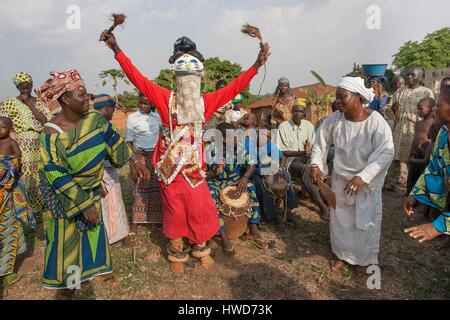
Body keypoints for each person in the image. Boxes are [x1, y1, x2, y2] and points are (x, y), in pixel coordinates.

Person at [100, 30, 270, 272]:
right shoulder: (163, 98)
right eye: (184, 75)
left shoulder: (206, 102)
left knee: (199, 211)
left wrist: (256, 65)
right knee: (175, 212)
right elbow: (136, 77)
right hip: (170, 172)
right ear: (176, 77)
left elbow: (234, 87)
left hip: (195, 172)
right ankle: (177, 253)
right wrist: (116, 49)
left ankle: (201, 248)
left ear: (198, 76)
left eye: (192, 75)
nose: (188, 81)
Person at [36, 69, 149, 291]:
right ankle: (69, 286)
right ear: (66, 99)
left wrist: (134, 161)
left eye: (87, 94)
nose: (89, 99)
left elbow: (114, 140)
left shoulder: (95, 119)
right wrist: (83, 204)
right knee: (66, 239)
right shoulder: (51, 133)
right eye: (82, 95)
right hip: (64, 194)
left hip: (91, 188)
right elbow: (56, 173)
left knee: (93, 231)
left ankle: (97, 273)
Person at [310, 77, 394, 275]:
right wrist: (315, 165)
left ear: (357, 97)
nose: (338, 101)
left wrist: (363, 177)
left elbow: (386, 152)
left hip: (365, 183)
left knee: (365, 222)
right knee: (342, 221)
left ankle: (364, 260)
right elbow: (320, 144)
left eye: (342, 97)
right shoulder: (334, 121)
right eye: (337, 97)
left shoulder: (375, 122)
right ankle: (342, 255)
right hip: (340, 181)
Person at [0, 72, 52, 217]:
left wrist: (29, 103)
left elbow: (45, 121)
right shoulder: (10, 103)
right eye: (22, 87)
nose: (25, 90)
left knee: (40, 172)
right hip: (21, 143)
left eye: (27, 86)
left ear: (31, 85)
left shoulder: (38, 102)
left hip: (38, 141)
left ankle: (40, 204)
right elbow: (3, 122)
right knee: (25, 173)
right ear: (17, 87)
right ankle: (26, 206)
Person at [207, 122, 261, 256]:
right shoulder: (210, 149)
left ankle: (253, 227)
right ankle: (223, 235)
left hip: (234, 180)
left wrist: (244, 178)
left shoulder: (239, 148)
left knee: (251, 188)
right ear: (224, 139)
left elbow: (253, 164)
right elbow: (205, 171)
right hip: (216, 181)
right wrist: (216, 169)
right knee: (211, 197)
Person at [403, 88, 450, 243]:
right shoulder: (444, 133)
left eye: (437, 105)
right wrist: (416, 194)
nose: (434, 109)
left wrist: (438, 226)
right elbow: (434, 168)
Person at [278, 99, 330, 220]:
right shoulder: (283, 126)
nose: (297, 113)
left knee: (323, 167)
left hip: (307, 158)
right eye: (295, 111)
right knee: (306, 170)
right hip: (290, 161)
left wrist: (315, 164)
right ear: (292, 112)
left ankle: (325, 199)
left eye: (300, 111)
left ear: (304, 114)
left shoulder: (308, 126)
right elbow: (284, 152)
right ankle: (322, 207)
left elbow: (312, 147)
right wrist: (303, 152)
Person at [385, 68, 434, 192]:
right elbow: (388, 109)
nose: (410, 77)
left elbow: (432, 111)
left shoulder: (426, 92)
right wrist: (393, 109)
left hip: (416, 131)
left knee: (413, 158)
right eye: (408, 74)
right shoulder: (400, 91)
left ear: (420, 77)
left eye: (413, 75)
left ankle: (411, 186)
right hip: (400, 129)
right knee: (395, 157)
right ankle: (391, 184)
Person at [93, 94, 132, 247]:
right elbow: (119, 149)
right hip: (103, 170)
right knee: (114, 201)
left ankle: (108, 236)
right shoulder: (103, 124)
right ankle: (120, 236)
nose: (113, 114)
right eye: (113, 110)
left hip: (93, 172)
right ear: (107, 108)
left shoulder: (87, 121)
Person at [0, 116, 35, 286]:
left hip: (7, 193)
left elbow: (17, 159)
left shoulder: (11, 142)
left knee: (8, 229)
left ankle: (6, 271)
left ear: (10, 128)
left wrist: (7, 167)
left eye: (2, 127)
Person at [248, 124, 297, 228]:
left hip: (269, 169)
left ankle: (288, 209)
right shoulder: (249, 145)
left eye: (269, 136)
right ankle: (273, 214)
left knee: (286, 174)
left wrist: (279, 168)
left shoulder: (270, 144)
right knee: (260, 183)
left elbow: (283, 157)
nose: (266, 138)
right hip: (253, 171)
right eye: (264, 135)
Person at [126, 93, 163, 227]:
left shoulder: (157, 118)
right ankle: (135, 222)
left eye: (146, 103)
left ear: (151, 104)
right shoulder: (132, 118)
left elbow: (163, 134)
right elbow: (129, 141)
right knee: (139, 188)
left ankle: (156, 219)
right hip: (139, 156)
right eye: (140, 102)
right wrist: (132, 163)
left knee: (156, 188)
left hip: (154, 156)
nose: (142, 106)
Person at [406, 98, 435, 194]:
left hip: (424, 157)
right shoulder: (418, 123)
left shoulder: (433, 123)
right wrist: (410, 156)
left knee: (421, 180)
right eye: (417, 108)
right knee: (411, 179)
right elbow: (414, 140)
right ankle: (409, 197)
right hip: (415, 156)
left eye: (420, 109)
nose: (418, 111)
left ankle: (419, 200)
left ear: (431, 109)